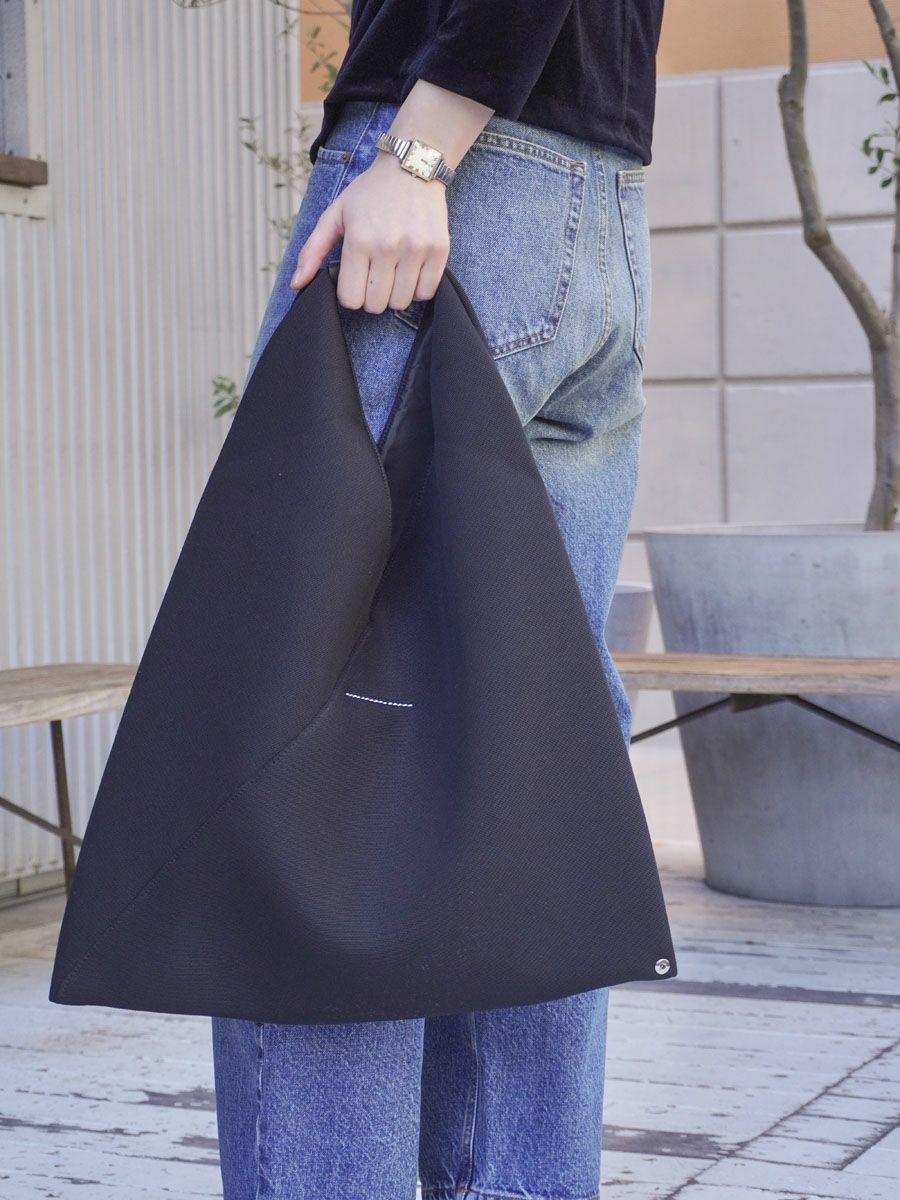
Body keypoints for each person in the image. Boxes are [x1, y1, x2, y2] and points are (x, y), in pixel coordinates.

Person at [211, 1, 665, 1196]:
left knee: (322, 756)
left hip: (460, 186)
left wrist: (420, 149)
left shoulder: (431, 153)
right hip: (597, 202)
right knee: (537, 749)